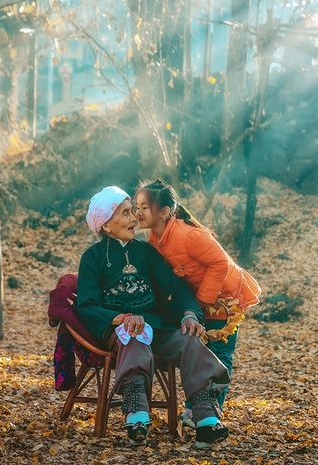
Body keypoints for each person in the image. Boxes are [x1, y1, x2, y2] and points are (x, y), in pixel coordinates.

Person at [76, 185, 230, 448]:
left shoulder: (147, 252)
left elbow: (177, 287)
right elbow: (87, 305)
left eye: (131, 212)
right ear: (106, 226)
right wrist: (120, 319)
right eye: (125, 214)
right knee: (134, 337)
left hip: (158, 326)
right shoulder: (92, 258)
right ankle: (136, 418)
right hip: (121, 330)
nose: (133, 218)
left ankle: (206, 420)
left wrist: (190, 314)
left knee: (190, 341)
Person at [134, 179, 262, 427]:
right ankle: (196, 409)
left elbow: (221, 264)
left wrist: (200, 303)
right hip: (198, 303)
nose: (138, 213)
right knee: (199, 352)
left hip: (225, 299)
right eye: (136, 206)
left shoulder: (188, 235)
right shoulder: (153, 241)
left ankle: (211, 413)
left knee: (220, 355)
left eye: (144, 207)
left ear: (164, 212)